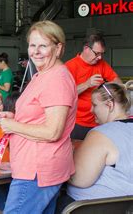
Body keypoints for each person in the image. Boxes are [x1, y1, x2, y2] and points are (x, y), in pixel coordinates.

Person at [0, 20, 77, 214]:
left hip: (38, 170)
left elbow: (52, 131)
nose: (36, 51)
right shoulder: (41, 75)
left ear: (58, 48)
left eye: (43, 45)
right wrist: (14, 117)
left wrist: (12, 126)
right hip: (34, 167)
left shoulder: (57, 79)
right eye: (32, 45)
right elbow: (38, 115)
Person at [55, 83, 133, 212]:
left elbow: (80, 179)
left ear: (110, 105)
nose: (91, 110)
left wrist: (68, 155)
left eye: (95, 105)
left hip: (93, 206)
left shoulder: (102, 133)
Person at [66, 34, 122, 140]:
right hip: (77, 123)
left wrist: (112, 86)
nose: (100, 57)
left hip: (99, 121)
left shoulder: (101, 64)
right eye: (97, 53)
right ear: (86, 49)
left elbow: (116, 80)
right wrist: (87, 84)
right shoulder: (70, 67)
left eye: (101, 54)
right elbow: (65, 94)